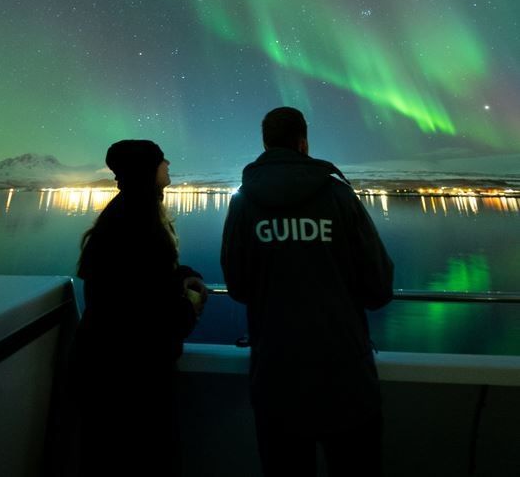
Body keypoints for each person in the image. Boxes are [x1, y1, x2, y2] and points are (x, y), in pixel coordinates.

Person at [221, 107, 393, 477]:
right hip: (346, 378)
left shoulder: (243, 202)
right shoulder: (340, 196)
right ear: (304, 143)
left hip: (275, 380)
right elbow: (379, 286)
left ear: (265, 144)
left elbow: (237, 284)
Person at [70, 139, 207, 475]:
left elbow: (139, 285)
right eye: (162, 160)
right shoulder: (141, 224)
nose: (169, 164)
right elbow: (156, 316)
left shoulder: (123, 216)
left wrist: (181, 274)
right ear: (148, 170)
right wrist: (191, 302)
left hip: (105, 370)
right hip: (133, 381)